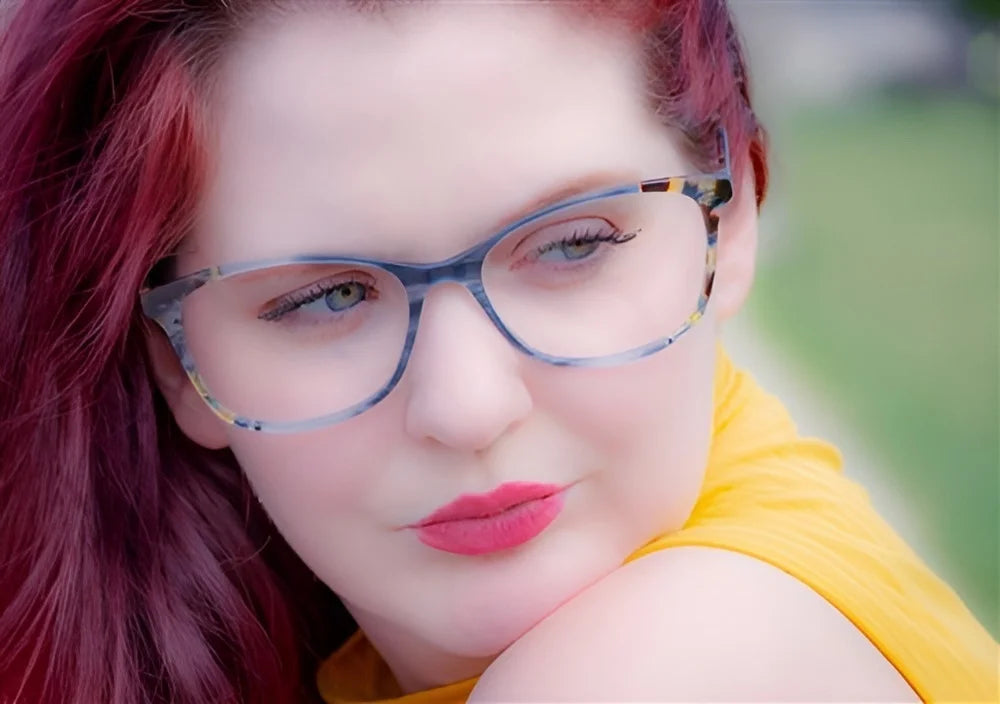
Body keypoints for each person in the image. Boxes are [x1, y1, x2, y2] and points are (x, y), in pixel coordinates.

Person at [0, 1, 995, 702]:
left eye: (570, 245)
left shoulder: (658, 672)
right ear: (179, 364)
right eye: (325, 298)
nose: (468, 407)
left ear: (728, 224)